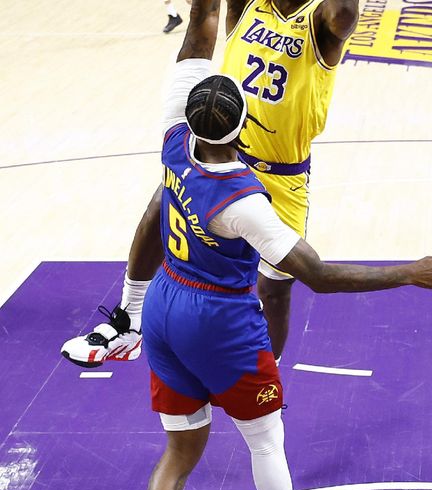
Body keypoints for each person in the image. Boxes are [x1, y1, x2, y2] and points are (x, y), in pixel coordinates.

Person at [113, 3, 432, 490]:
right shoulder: (245, 202)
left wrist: (132, 297)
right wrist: (411, 271)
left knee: (180, 449)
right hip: (220, 324)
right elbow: (322, 275)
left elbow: (195, 48)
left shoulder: (174, 139)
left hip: (165, 308)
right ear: (241, 123)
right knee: (266, 439)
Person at [61, 0, 360, 368]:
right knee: (161, 205)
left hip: (283, 175)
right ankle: (129, 319)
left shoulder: (321, 19)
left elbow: (344, 14)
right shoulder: (246, 6)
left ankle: (267, 376)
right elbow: (206, 14)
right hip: (225, 153)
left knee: (275, 291)